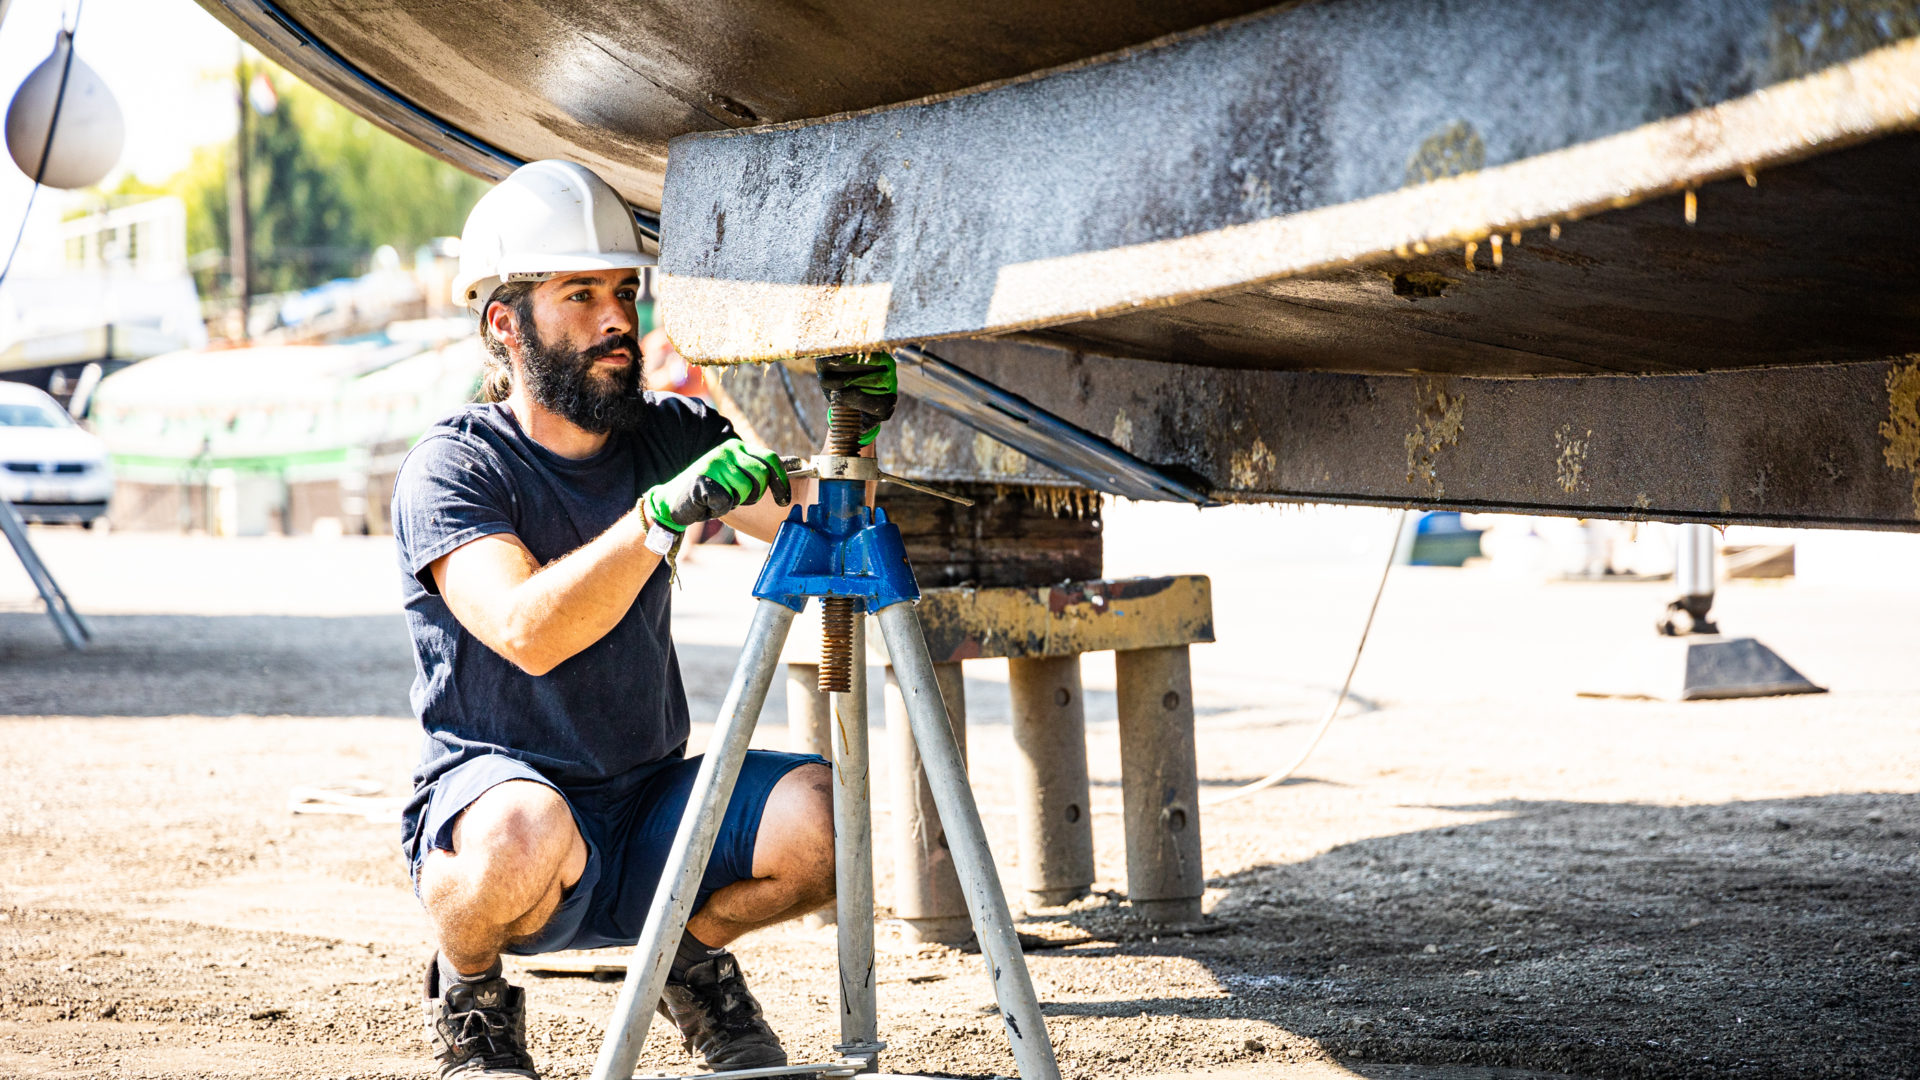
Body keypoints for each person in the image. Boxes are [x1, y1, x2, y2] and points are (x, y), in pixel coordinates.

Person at [393, 160, 900, 1079]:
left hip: (648, 800)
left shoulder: (668, 431)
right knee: (515, 836)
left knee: (833, 820)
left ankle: (685, 963)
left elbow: (816, 533)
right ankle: (470, 997)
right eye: (579, 294)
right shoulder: (454, 468)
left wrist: (849, 445)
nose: (618, 318)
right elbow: (525, 628)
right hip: (501, 800)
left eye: (624, 290)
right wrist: (657, 517)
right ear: (505, 324)